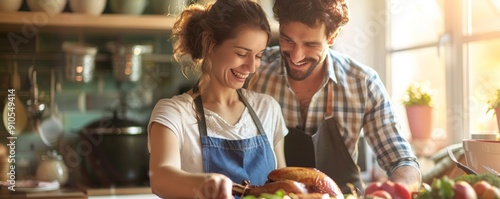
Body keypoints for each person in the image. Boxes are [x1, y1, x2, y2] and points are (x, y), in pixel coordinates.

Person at [251, 0, 422, 194]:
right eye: (287, 40)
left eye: (310, 44)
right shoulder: (254, 71)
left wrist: (396, 191)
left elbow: (402, 160)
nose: (296, 57)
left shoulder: (363, 83)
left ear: (332, 37)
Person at [147, 0, 288, 198]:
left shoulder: (268, 109)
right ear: (209, 44)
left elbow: (280, 184)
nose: (251, 67)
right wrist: (205, 184)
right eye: (241, 53)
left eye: (258, 56)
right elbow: (161, 178)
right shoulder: (174, 113)